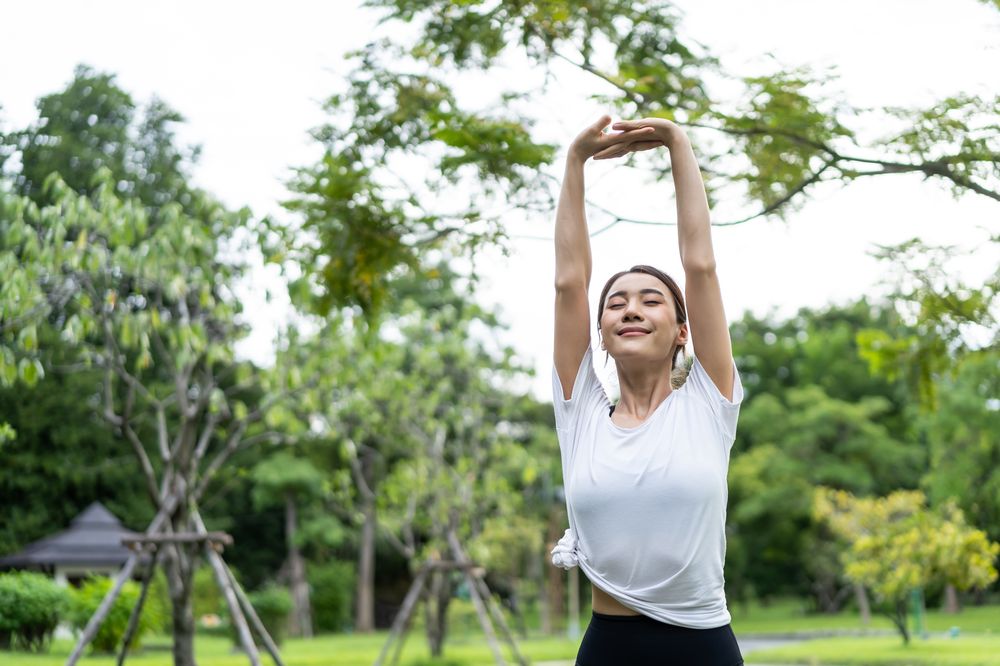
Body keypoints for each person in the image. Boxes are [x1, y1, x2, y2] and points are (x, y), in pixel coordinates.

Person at [550, 115, 745, 665]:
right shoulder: (581, 415)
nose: (631, 309)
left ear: (683, 331)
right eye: (616, 303)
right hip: (609, 647)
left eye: (651, 300)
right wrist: (575, 160)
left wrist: (676, 142)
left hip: (702, 645)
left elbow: (700, 266)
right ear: (602, 335)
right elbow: (569, 283)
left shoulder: (708, 402)